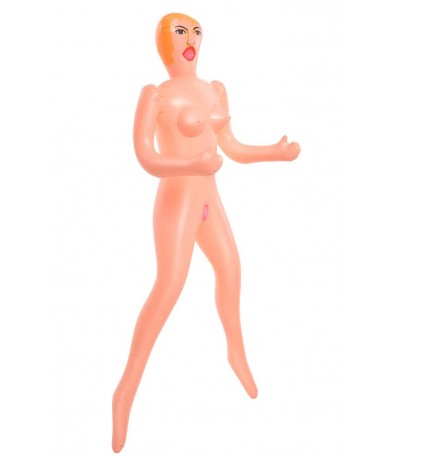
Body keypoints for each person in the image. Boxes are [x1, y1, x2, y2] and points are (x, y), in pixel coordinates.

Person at [112, 12, 300, 453]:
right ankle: (125, 391)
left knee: (231, 269)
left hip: (208, 201)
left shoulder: (214, 89)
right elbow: (146, 157)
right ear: (164, 42)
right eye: (180, 32)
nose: (190, 39)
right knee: (169, 287)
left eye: (196, 32)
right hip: (177, 202)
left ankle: (236, 352)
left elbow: (232, 147)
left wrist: (274, 153)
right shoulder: (155, 95)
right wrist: (192, 164)